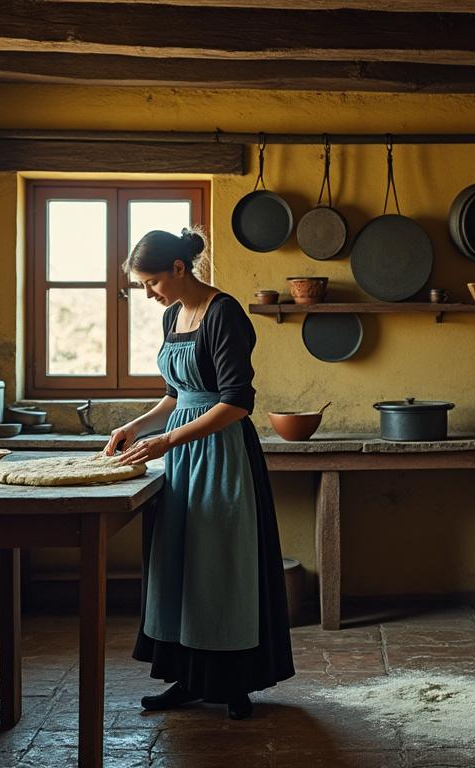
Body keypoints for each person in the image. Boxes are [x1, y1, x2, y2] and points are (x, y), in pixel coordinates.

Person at [106, 227, 293, 719]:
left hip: (221, 454)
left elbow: (236, 403)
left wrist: (167, 440)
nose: (148, 294)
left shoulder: (224, 313)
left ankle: (233, 684)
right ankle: (188, 680)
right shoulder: (172, 315)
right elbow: (176, 395)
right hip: (182, 457)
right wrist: (136, 426)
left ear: (178, 268)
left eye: (151, 283)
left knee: (220, 566)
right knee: (182, 565)